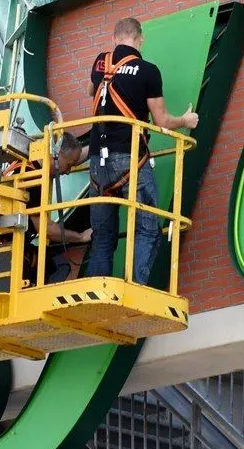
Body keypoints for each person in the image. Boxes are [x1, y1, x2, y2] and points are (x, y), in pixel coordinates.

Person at [84, 17, 199, 284]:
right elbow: (162, 121)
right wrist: (185, 121)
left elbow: (91, 90)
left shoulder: (101, 62)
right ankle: (137, 287)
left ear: (115, 38)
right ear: (141, 39)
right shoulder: (147, 70)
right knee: (147, 228)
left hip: (97, 164)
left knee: (102, 236)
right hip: (129, 159)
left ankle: (96, 290)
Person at [23, 131, 91, 284]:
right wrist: (81, 237)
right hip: (13, 253)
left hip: (6, 245)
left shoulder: (24, 166)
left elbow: (72, 157)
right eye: (69, 165)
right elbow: (47, 229)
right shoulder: (31, 178)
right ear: (57, 154)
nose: (68, 171)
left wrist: (95, 145)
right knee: (59, 266)